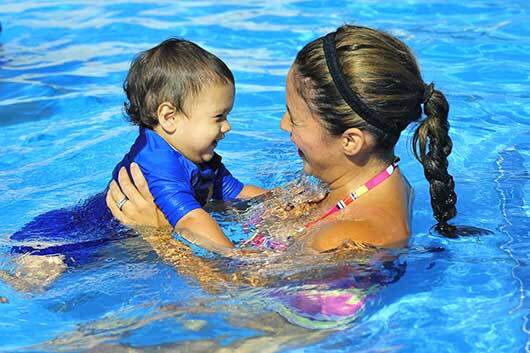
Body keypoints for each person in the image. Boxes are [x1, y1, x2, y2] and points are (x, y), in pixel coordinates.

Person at [106, 24, 467, 328]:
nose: (282, 125)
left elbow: (237, 300)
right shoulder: (363, 182)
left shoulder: (356, 244)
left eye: (294, 118)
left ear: (351, 141)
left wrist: (157, 236)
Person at [109, 38, 265, 251]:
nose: (227, 126)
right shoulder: (156, 161)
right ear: (169, 117)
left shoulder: (197, 155)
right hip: (92, 239)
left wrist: (287, 204)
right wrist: (237, 258)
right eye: (219, 117)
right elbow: (190, 221)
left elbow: (236, 192)